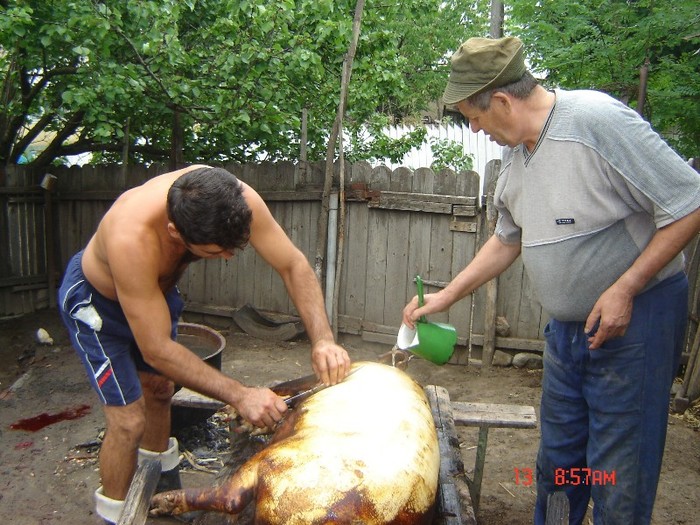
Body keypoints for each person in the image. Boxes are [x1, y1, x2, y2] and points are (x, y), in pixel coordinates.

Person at [403, 36, 700, 524]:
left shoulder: (596, 122)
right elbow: (506, 239)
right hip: (567, 334)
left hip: (638, 322)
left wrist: (625, 286)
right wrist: (448, 295)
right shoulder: (517, 159)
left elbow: (687, 202)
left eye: (473, 117)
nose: (474, 130)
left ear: (501, 100)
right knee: (559, 464)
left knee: (617, 476)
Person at [58, 165, 351, 524]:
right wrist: (242, 395)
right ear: (174, 232)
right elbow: (157, 350)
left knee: (162, 388)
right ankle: (116, 516)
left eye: (233, 247)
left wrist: (323, 340)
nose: (228, 257)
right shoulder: (130, 237)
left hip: (152, 295)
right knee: (128, 420)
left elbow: (292, 263)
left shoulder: (233, 198)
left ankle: (160, 489)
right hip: (98, 308)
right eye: (216, 252)